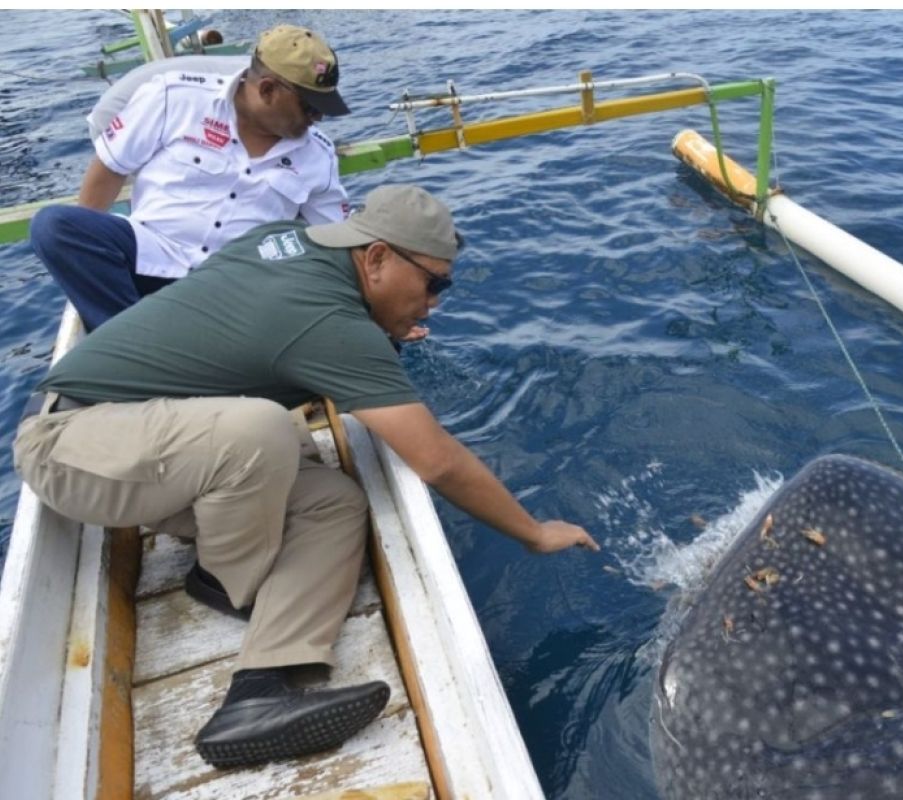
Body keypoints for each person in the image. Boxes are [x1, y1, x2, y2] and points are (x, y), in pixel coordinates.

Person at [13, 184, 599, 767]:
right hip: (72, 442)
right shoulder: (332, 322)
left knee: (335, 502)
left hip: (155, 448)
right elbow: (437, 459)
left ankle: (259, 692)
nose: (434, 304)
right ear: (376, 258)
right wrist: (534, 533)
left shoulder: (287, 242)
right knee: (263, 431)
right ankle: (223, 576)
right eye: (433, 283)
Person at [29, 23, 351, 332]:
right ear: (267, 89)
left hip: (240, 290)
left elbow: (334, 241)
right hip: (152, 258)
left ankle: (141, 349)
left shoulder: (318, 156)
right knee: (54, 226)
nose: (318, 118)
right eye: (310, 108)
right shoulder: (173, 97)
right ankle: (132, 340)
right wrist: (90, 257)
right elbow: (110, 167)